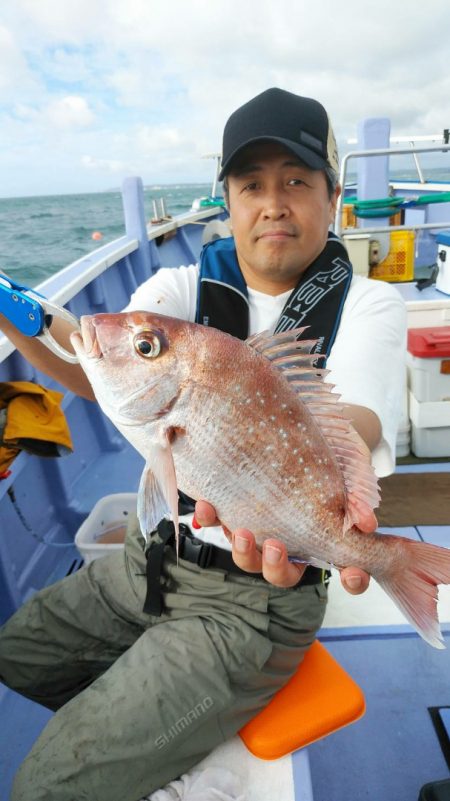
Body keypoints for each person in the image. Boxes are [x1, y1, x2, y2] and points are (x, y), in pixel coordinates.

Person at [0, 87, 406, 801]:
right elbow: (104, 366)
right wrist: (11, 317)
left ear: (333, 195)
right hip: (149, 563)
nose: (273, 202)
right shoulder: (183, 287)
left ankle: (152, 724)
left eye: (296, 181)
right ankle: (150, 722)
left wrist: (310, 507)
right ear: (227, 199)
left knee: (44, 786)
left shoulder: (372, 303)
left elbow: (357, 427)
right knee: (18, 653)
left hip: (253, 601)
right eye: (252, 183)